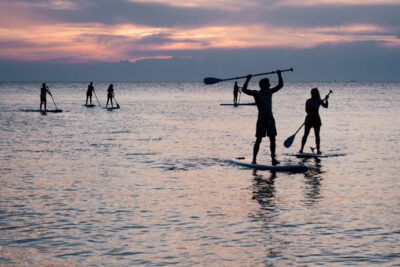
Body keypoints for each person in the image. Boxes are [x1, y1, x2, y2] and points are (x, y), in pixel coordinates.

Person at [241, 70, 283, 165]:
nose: (269, 85)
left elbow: (280, 85)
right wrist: (247, 79)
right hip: (262, 120)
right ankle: (254, 159)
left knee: (272, 139)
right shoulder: (256, 93)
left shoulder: (270, 92)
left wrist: (279, 75)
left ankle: (273, 159)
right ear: (264, 85)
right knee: (258, 140)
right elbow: (244, 90)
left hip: (270, 119)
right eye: (268, 84)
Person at [299, 88, 329, 154]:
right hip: (309, 119)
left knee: (317, 135)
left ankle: (318, 150)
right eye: (313, 93)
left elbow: (326, 106)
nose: (314, 94)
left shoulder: (319, 101)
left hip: (316, 120)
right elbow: (306, 110)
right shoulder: (308, 101)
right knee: (305, 135)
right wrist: (311, 113)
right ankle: (301, 149)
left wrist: (326, 99)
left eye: (315, 93)